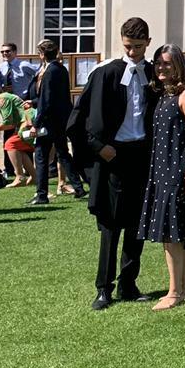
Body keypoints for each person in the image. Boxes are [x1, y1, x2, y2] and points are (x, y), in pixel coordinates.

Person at [77, 18, 157, 309]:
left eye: (138, 46)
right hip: (113, 155)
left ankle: (128, 283)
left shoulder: (153, 73)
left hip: (142, 155)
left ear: (148, 42)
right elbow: (80, 120)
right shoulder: (106, 73)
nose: (133, 52)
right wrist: (100, 148)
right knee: (111, 225)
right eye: (128, 46)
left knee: (137, 223)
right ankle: (103, 288)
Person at [137, 44, 185, 310]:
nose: (161, 68)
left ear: (178, 66)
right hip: (162, 168)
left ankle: (174, 292)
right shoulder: (164, 95)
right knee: (177, 230)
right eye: (158, 64)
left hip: (176, 170)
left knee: (171, 233)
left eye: (167, 63)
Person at [31, 38, 86, 207]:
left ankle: (41, 194)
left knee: (41, 156)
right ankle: (78, 187)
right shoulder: (61, 69)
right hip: (61, 119)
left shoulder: (49, 71)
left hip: (49, 121)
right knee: (62, 152)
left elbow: (47, 100)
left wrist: (36, 123)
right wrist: (34, 102)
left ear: (41, 55)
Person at [0, 83, 34, 184]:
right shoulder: (4, 97)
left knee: (10, 144)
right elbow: (12, 123)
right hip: (25, 122)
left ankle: (20, 177)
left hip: (29, 122)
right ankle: (34, 176)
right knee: (17, 148)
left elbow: (8, 122)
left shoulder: (2, 99)